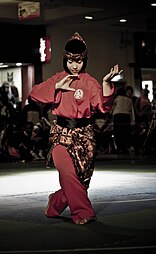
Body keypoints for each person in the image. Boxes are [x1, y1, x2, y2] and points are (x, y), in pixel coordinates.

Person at [29, 32, 122, 225]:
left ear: (84, 61)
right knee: (68, 174)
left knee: (80, 182)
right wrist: (56, 88)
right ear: (65, 59)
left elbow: (103, 107)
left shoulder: (90, 82)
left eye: (78, 61)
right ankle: (83, 212)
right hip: (61, 135)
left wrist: (106, 84)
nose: (74, 65)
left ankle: (55, 203)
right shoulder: (59, 78)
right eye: (70, 61)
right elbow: (34, 94)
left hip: (85, 136)